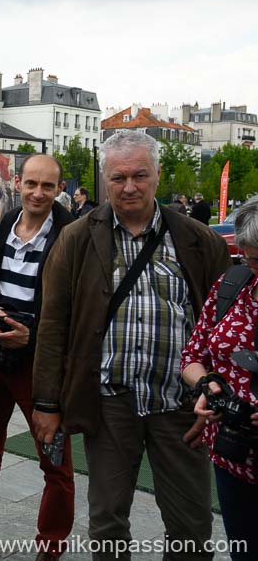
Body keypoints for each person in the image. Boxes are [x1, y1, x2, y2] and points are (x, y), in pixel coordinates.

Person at [33, 130, 230, 560]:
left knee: (192, 525)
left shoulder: (200, 240)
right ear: (105, 178)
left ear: (157, 174)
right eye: (118, 177)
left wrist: (216, 392)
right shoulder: (78, 238)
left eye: (140, 175)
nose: (129, 187)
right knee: (106, 522)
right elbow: (53, 324)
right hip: (110, 402)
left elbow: (224, 326)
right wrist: (47, 403)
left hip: (181, 404)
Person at [0, 155, 75, 559]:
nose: (38, 193)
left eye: (47, 186)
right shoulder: (2, 227)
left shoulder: (70, 234)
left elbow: (78, 307)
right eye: (31, 184)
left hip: (40, 361)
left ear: (59, 188)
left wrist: (33, 335)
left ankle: (51, 544)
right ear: (19, 184)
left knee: (54, 459)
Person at [180, 194, 258, 561]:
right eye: (253, 259)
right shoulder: (234, 284)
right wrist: (206, 387)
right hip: (232, 451)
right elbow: (193, 355)